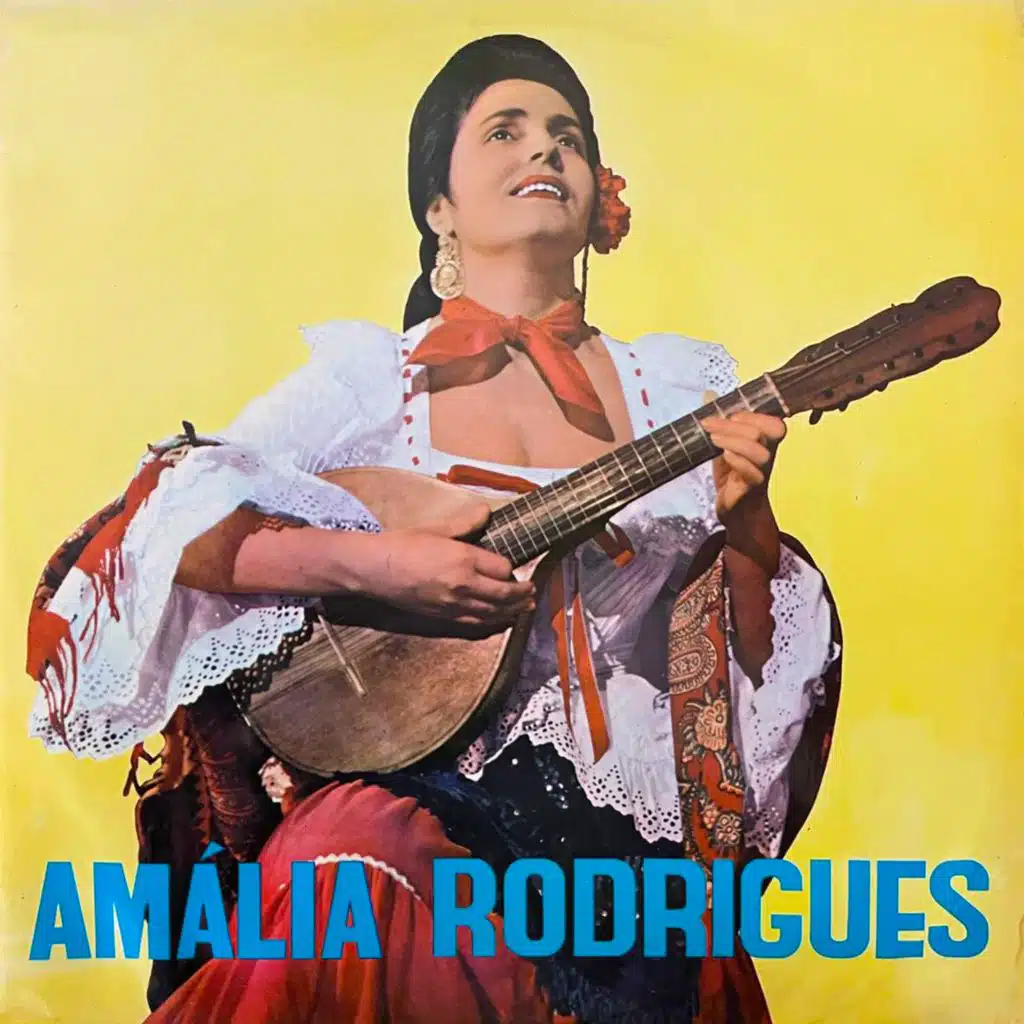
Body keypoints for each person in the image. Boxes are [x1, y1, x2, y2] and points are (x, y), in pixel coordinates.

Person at [25, 34, 842, 1024]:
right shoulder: (372, 380)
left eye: (567, 136)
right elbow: (172, 520)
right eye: (505, 131)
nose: (543, 149)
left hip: (616, 849)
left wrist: (747, 526)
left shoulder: (674, 388)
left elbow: (739, 687)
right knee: (359, 868)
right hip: (415, 800)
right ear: (437, 207)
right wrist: (379, 567)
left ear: (599, 195)